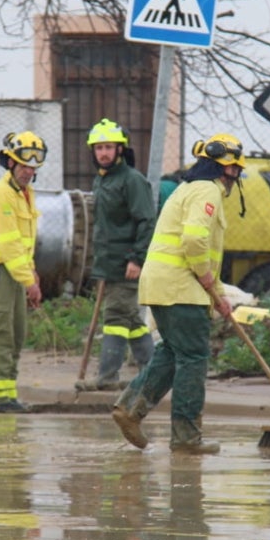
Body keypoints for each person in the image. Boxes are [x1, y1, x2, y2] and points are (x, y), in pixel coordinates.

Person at [110, 133, 246, 454]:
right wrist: (208, 281)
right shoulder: (207, 191)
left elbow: (204, 251)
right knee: (194, 358)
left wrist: (219, 295)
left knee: (173, 353)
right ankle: (186, 438)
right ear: (224, 169)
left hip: (163, 285)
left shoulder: (189, 188)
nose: (236, 177)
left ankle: (130, 409)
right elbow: (195, 242)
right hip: (180, 288)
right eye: (236, 170)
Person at [75, 118, 157, 393]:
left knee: (115, 319)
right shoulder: (102, 180)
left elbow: (146, 221)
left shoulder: (132, 181)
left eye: (109, 147)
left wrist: (136, 258)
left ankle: (107, 376)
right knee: (131, 320)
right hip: (108, 263)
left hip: (126, 264)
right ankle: (155, 372)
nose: (104, 153)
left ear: (120, 149)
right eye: (99, 148)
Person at [0, 131, 47, 414]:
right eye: (23, 166)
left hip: (16, 272)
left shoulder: (24, 194)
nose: (28, 171)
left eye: (33, 167)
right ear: (10, 163)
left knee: (17, 334)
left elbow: (22, 243)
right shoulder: (1, 194)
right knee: (1, 334)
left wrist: (32, 273)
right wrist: (30, 281)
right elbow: (8, 246)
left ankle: (6, 395)